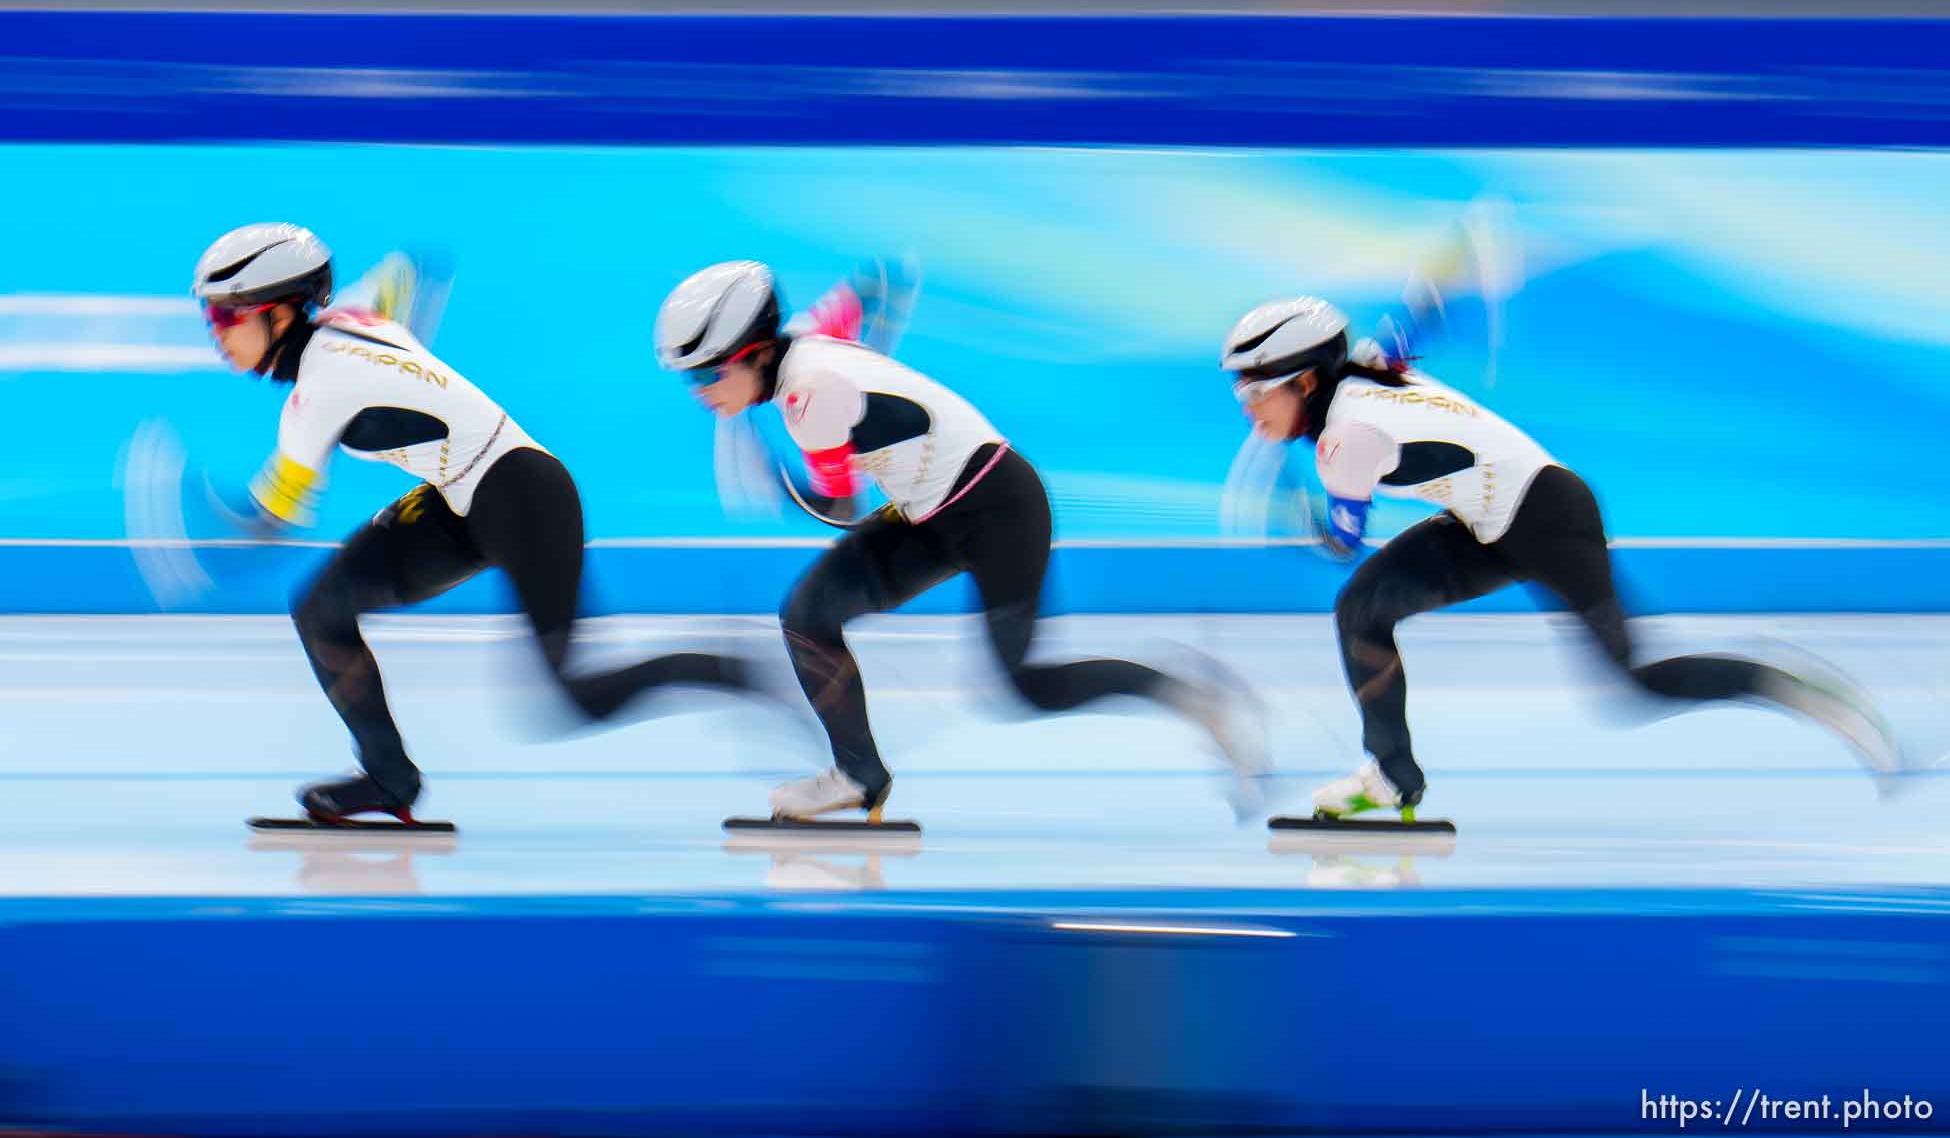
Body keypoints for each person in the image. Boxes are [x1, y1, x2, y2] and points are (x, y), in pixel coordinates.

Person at [1219, 292, 1904, 820]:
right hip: (1488, 518)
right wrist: (1437, 292)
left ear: (1307, 382)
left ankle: (1793, 687)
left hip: (1550, 517)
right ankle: (1392, 778)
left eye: (1255, 391)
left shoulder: (1347, 441)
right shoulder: (1363, 367)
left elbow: (1342, 543)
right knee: (1362, 610)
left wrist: (1293, 513)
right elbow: (1406, 330)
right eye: (1238, 393)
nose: (1247, 410)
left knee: (1638, 682)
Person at [655, 259, 1266, 821]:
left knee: (1027, 686)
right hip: (931, 511)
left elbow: (839, 507)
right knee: (807, 615)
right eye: (689, 381)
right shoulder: (811, 335)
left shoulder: (806, 397)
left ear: (758, 352)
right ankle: (857, 774)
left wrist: (782, 484)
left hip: (1000, 507)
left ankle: (1187, 694)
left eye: (709, 373)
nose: (702, 392)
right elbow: (875, 287)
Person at [190, 222, 757, 825]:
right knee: (321, 610)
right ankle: (390, 777)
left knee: (571, 697)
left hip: (526, 496)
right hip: (461, 497)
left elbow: (271, 519)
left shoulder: (319, 390)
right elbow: (406, 275)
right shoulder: (346, 316)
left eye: (227, 318)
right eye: (209, 318)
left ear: (279, 316)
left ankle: (720, 665)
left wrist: (196, 539)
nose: (216, 335)